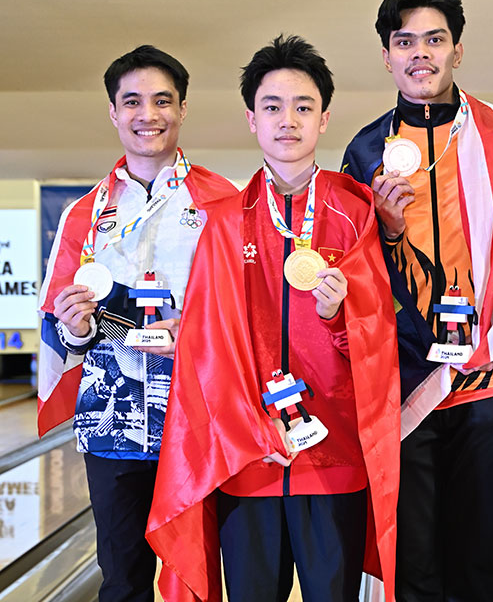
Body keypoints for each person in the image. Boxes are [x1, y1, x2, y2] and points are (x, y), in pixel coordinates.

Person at [145, 35, 400, 602]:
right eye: (272, 107)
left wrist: (339, 316)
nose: (288, 120)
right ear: (251, 119)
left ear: (324, 118)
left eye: (303, 106)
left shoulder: (354, 211)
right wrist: (252, 427)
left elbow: (378, 340)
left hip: (333, 457)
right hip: (249, 457)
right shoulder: (224, 221)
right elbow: (211, 346)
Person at [342, 0, 493, 601]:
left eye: (434, 40)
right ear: (387, 56)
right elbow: (356, 271)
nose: (420, 54)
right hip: (405, 382)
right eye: (405, 42)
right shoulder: (364, 150)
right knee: (414, 565)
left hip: (489, 376)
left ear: (457, 50)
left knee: (479, 562)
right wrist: (386, 230)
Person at [37, 45, 236, 601]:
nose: (148, 114)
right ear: (113, 112)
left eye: (162, 101)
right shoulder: (84, 214)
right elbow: (61, 327)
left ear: (183, 109)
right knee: (122, 581)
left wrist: (192, 329)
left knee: (196, 578)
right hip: (112, 427)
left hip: (197, 423)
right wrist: (78, 328)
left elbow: (248, 314)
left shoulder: (223, 202)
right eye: (132, 102)